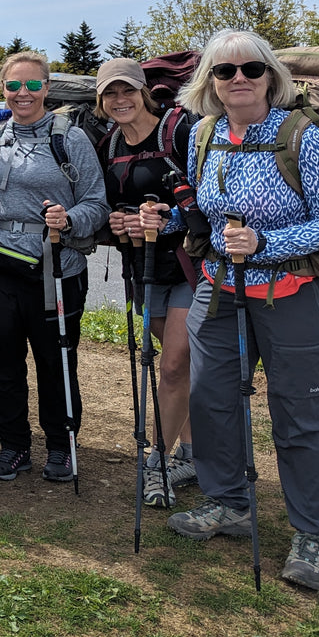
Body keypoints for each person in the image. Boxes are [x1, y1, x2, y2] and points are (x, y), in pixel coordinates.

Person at [140, 29, 319, 591]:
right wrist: (170, 219)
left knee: (301, 411)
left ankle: (312, 532)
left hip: (295, 292)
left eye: (251, 70)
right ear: (209, 80)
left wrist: (265, 244)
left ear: (270, 77)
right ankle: (228, 503)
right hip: (220, 288)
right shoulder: (204, 134)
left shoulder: (302, 136)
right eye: (224, 71)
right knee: (212, 402)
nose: (238, 79)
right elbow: (205, 216)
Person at [0, 51, 108, 483]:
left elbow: (97, 204)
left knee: (55, 359)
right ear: (2, 90)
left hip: (55, 266)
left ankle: (61, 446)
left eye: (31, 85)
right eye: (13, 86)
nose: (22, 94)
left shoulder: (71, 139)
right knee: (0, 360)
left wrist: (69, 219)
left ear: (46, 88)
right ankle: (14, 446)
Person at [94, 57, 197, 507]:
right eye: (110, 94)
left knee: (172, 365)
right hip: (143, 269)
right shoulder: (110, 144)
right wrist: (118, 221)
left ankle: (157, 462)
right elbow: (110, 207)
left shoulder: (178, 132)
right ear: (101, 102)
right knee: (179, 369)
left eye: (127, 91)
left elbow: (207, 198)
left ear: (145, 92)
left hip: (191, 265)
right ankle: (194, 453)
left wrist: (166, 220)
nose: (120, 100)